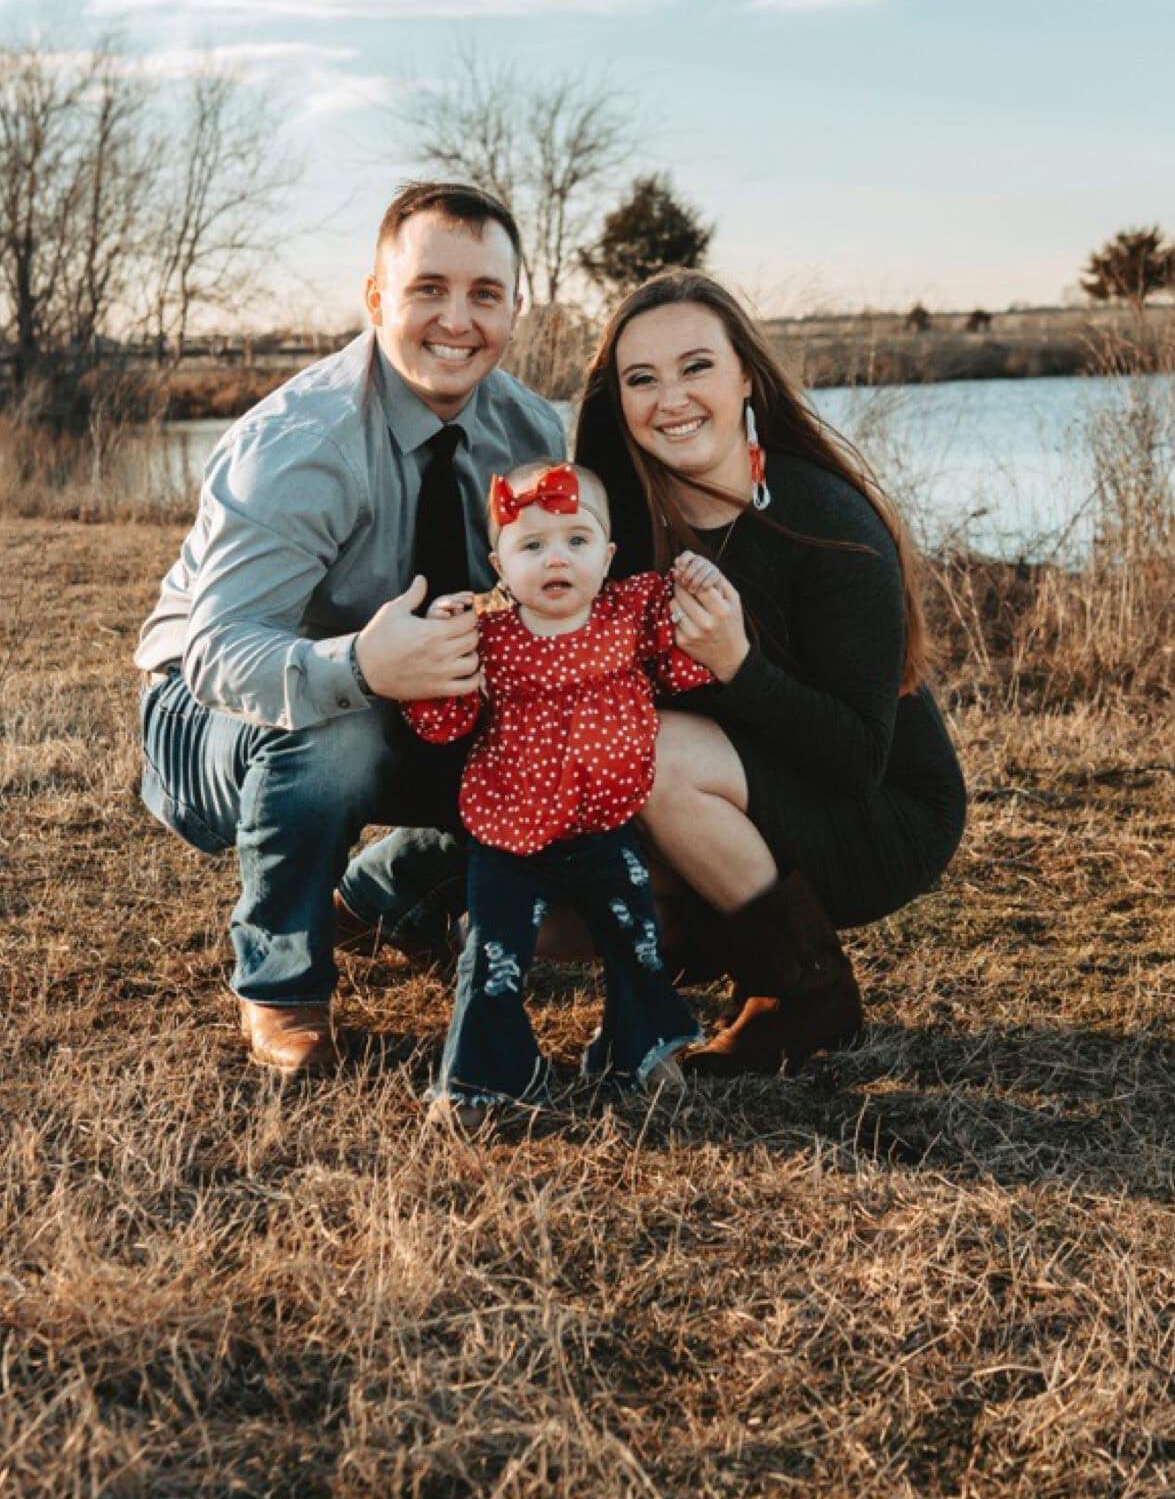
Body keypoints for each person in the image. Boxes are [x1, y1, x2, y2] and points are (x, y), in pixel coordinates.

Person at [134, 183, 563, 1077]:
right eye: (427, 289)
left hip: (406, 687)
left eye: (486, 294)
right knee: (342, 732)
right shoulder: (304, 440)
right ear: (376, 299)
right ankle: (281, 985)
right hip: (204, 708)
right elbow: (218, 652)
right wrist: (365, 667)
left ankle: (377, 897)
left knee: (550, 728)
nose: (458, 319)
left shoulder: (529, 430)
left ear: (515, 308)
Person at [573, 271, 967, 1076]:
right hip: (745, 789)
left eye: (695, 367)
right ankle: (701, 937)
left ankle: (802, 991)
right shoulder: (620, 525)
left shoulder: (826, 523)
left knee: (659, 751)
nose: (670, 399)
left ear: (744, 374)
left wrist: (738, 667)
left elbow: (858, 761)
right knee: (545, 919)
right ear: (617, 400)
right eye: (641, 379)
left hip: (879, 814)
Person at [403, 459, 709, 1123]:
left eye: (576, 540)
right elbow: (442, 723)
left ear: (607, 555)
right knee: (494, 959)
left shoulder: (627, 617)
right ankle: (486, 1083)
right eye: (532, 545)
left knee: (635, 940)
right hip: (507, 837)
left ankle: (639, 1054)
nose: (556, 559)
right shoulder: (488, 640)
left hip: (605, 829)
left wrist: (698, 588)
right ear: (499, 565)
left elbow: (684, 671)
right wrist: (437, 638)